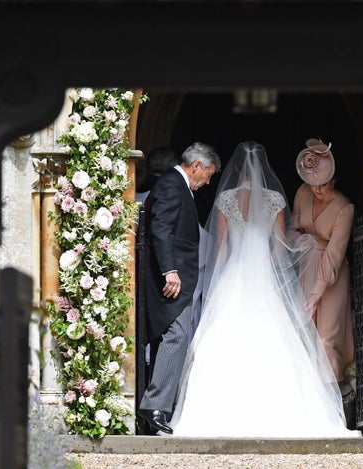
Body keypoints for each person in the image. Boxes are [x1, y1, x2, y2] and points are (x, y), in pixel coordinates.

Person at [170, 141, 359, 438]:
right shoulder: (273, 199)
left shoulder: (227, 199)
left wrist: (217, 280)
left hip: (235, 271)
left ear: (234, 169)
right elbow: (280, 246)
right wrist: (270, 269)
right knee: (277, 335)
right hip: (263, 272)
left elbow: (219, 249)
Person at [138, 142, 221, 435]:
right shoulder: (173, 185)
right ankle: (155, 406)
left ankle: (158, 404)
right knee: (177, 334)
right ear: (196, 165)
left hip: (180, 279)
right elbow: (161, 228)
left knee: (176, 335)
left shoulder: (177, 185)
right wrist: (170, 271)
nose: (208, 182)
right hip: (172, 280)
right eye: (208, 175)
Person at [290, 138, 356, 418]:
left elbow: (334, 255)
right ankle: (307, 403)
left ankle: (334, 407)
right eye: (312, 183)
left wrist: (318, 293)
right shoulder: (303, 194)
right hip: (305, 265)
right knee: (304, 333)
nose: (316, 189)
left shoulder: (345, 208)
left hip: (330, 276)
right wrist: (299, 241)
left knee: (328, 337)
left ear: (334, 180)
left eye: (322, 183)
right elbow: (291, 227)